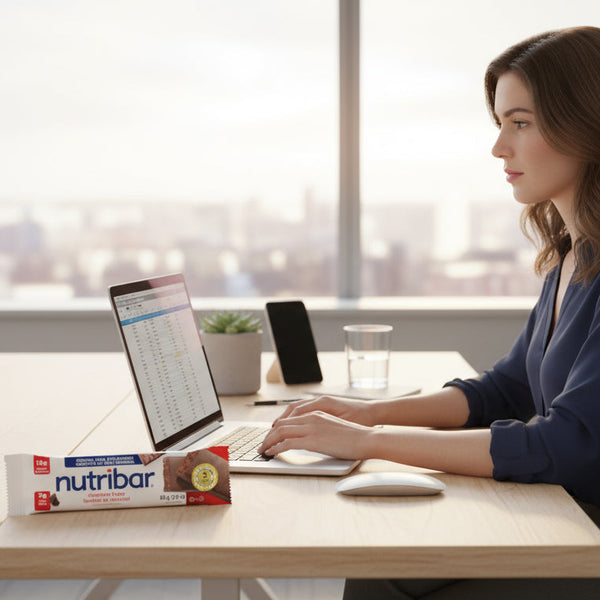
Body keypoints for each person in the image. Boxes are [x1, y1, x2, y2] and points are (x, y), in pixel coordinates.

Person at [258, 26, 600, 599]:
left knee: (386, 576)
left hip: (585, 532)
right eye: (500, 125)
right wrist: (363, 416)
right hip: (565, 512)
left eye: (520, 123)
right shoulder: (573, 255)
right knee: (383, 560)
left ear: (586, 124)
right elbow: (505, 390)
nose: (499, 149)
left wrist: (369, 442)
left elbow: (566, 445)